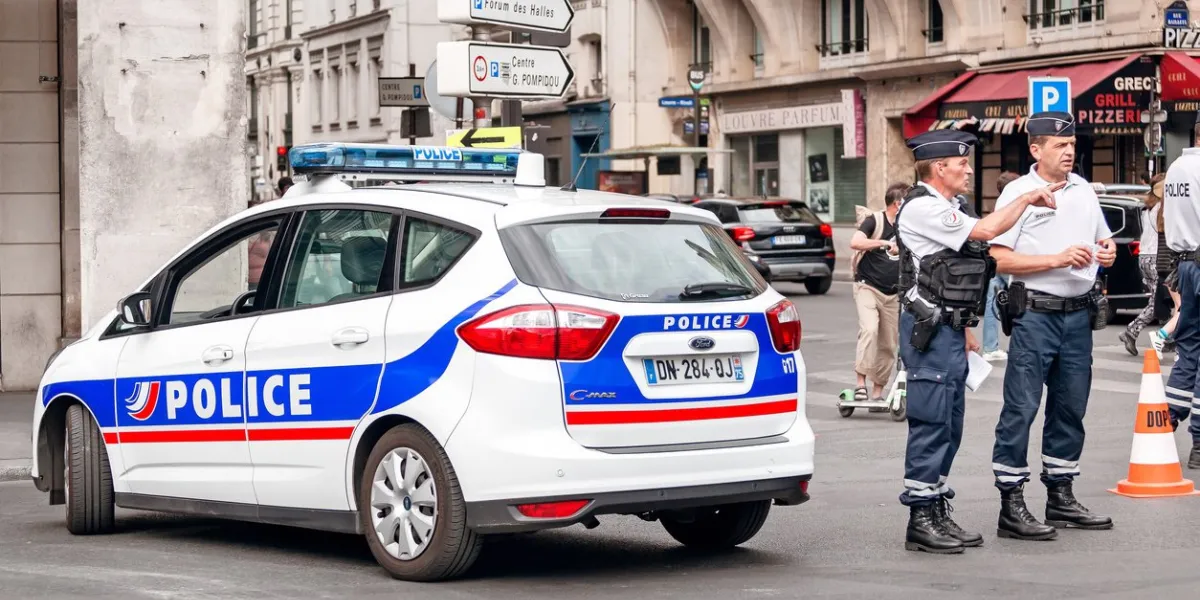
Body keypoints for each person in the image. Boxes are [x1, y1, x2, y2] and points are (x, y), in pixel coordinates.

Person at [894, 129, 1057, 554]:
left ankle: (936, 506)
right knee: (930, 422)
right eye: (961, 163)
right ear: (939, 167)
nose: (968, 168)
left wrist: (968, 329)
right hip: (927, 334)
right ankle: (920, 518)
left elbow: (961, 272)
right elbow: (986, 231)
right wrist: (1025, 198)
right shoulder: (923, 207)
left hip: (949, 329)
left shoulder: (949, 206)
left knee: (950, 423)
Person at [988, 111, 1115, 541]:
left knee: (1070, 406)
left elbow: (1101, 240)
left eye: (1072, 145)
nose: (1069, 152)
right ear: (1035, 149)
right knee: (1021, 407)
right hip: (1035, 314)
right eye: (1060, 146)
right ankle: (1011, 501)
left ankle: (1061, 495)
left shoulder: (1083, 190)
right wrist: (1056, 259)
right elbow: (999, 258)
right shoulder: (1019, 192)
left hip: (1079, 313)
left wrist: (1107, 252)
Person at [1161, 126, 1200, 469]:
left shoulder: (1175, 168)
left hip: (1185, 264)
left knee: (1189, 347)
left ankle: (1167, 420)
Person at [848, 182, 906, 403]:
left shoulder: (905, 226)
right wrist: (881, 243)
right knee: (870, 329)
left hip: (893, 293)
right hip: (867, 286)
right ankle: (860, 383)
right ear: (897, 204)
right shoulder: (875, 220)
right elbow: (855, 242)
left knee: (889, 343)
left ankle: (878, 391)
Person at [1120, 174, 1166, 355]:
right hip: (1156, 257)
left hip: (1145, 257)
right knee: (1159, 300)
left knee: (1160, 298)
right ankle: (1132, 331)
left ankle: (1168, 337)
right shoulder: (1160, 209)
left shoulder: (1148, 208)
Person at [982, 172, 1021, 361]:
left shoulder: (998, 206)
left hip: (994, 259)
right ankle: (1019, 345)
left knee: (992, 303)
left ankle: (990, 348)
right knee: (1019, 302)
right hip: (1010, 258)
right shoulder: (1015, 208)